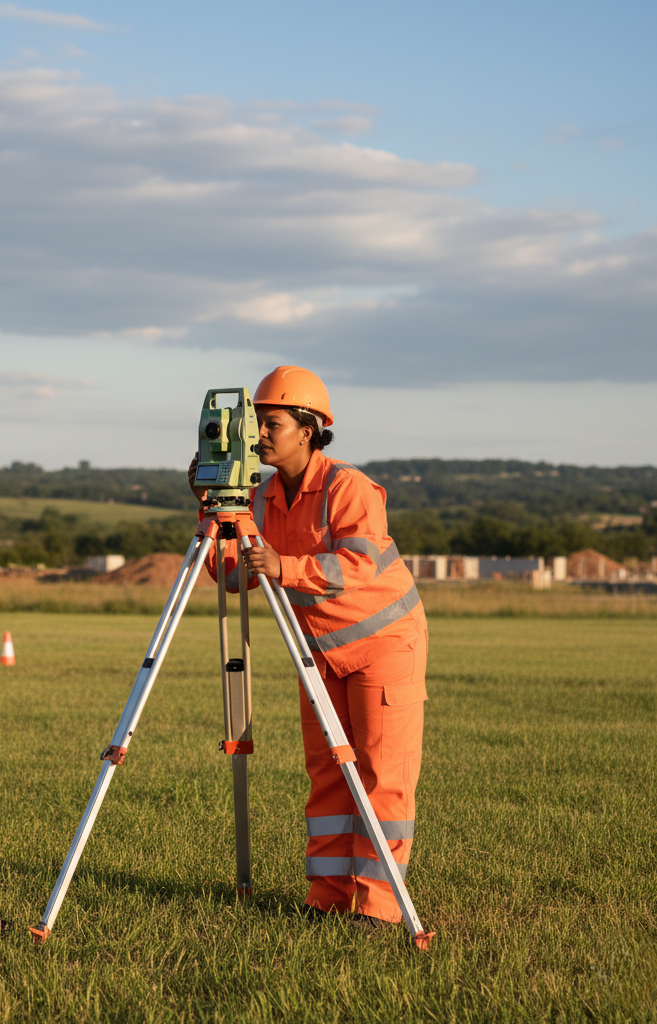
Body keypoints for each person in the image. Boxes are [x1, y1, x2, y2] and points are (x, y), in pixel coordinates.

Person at [188, 365, 428, 928]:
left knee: (378, 775)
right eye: (256, 425)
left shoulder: (350, 487)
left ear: (310, 428)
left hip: (384, 646)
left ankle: (378, 907)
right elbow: (231, 578)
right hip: (318, 653)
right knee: (326, 776)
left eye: (271, 423)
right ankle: (327, 896)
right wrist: (211, 509)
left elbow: (360, 563)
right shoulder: (261, 497)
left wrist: (284, 565)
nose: (259, 435)